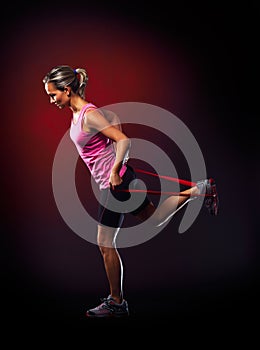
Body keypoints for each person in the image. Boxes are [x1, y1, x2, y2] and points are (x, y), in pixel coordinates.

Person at [43, 65, 219, 318]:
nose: (52, 100)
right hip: (118, 181)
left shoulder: (88, 114)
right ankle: (201, 190)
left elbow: (123, 139)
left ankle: (116, 302)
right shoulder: (81, 113)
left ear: (67, 90)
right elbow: (114, 126)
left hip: (116, 185)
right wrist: (117, 160)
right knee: (154, 219)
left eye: (53, 94)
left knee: (105, 244)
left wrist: (115, 169)